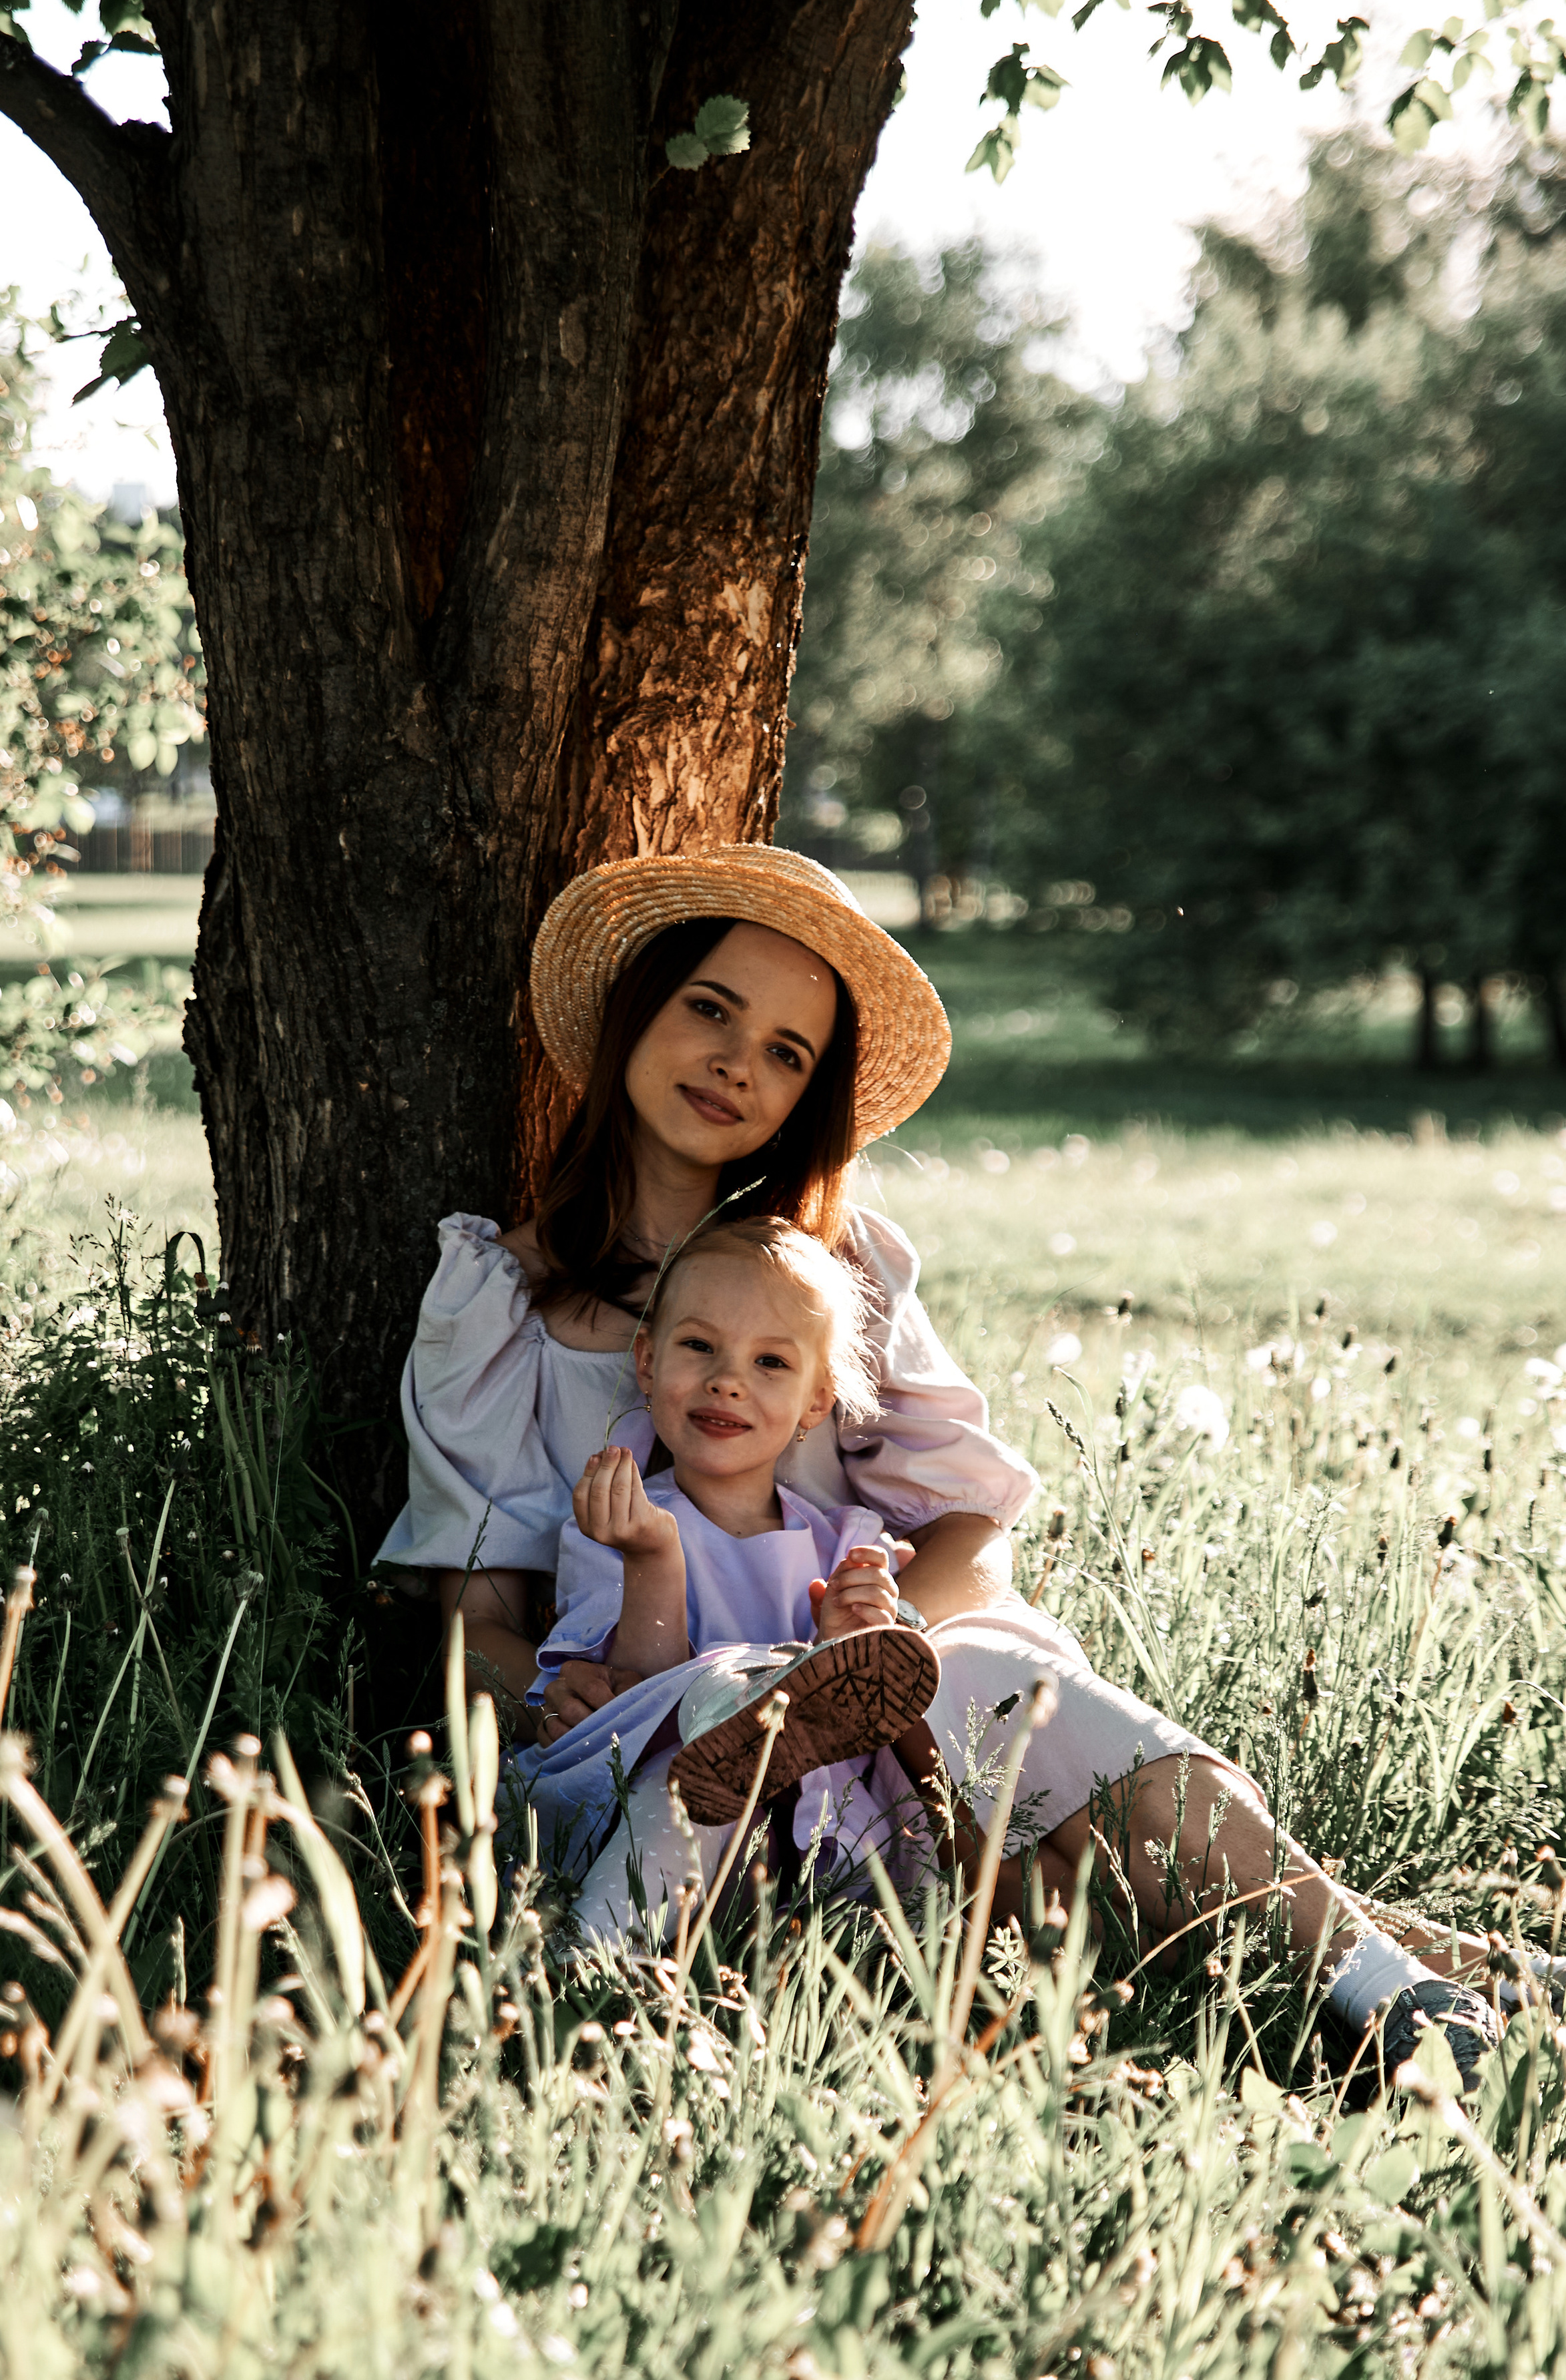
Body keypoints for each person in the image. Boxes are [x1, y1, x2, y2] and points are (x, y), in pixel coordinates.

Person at [377, 845, 1505, 2084]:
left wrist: (890, 1642)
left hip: (889, 1724)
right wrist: (539, 1695)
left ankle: (1404, 1991)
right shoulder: (498, 1303)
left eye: (787, 1052)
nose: (735, 1062)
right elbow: (473, 1617)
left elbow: (967, 1530)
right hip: (657, 1741)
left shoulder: (836, 1276)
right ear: (639, 1008)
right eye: (710, 1008)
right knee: (749, 1718)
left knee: (1028, 1693)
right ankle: (585, 2030)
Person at [509, 1217, 943, 1939]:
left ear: (816, 1398)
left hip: (805, 1842)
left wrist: (849, 1638)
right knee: (685, 1771)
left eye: (770, 1362)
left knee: (840, 1759)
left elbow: (867, 1736)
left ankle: (773, 1712)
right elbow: (632, 1716)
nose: (727, 1380)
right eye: (699, 1346)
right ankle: (597, 1961)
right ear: (647, 1361)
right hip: (666, 1823)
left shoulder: (846, 1546)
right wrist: (655, 1558)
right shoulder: (614, 1529)